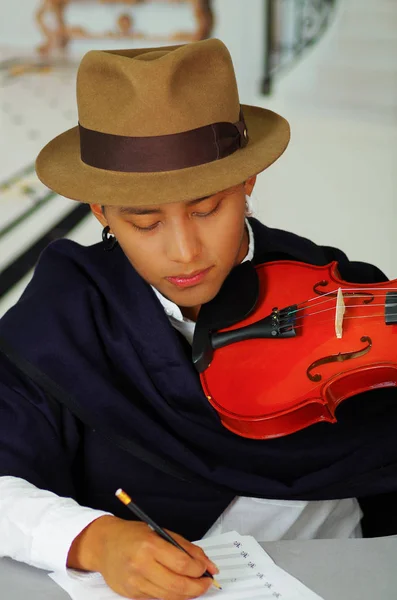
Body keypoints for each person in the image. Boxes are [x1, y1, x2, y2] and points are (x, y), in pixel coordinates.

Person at [0, 38, 396, 600]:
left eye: (208, 208)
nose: (185, 252)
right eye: (144, 222)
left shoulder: (343, 291)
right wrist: (94, 538)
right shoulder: (64, 314)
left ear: (247, 182)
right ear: (101, 211)